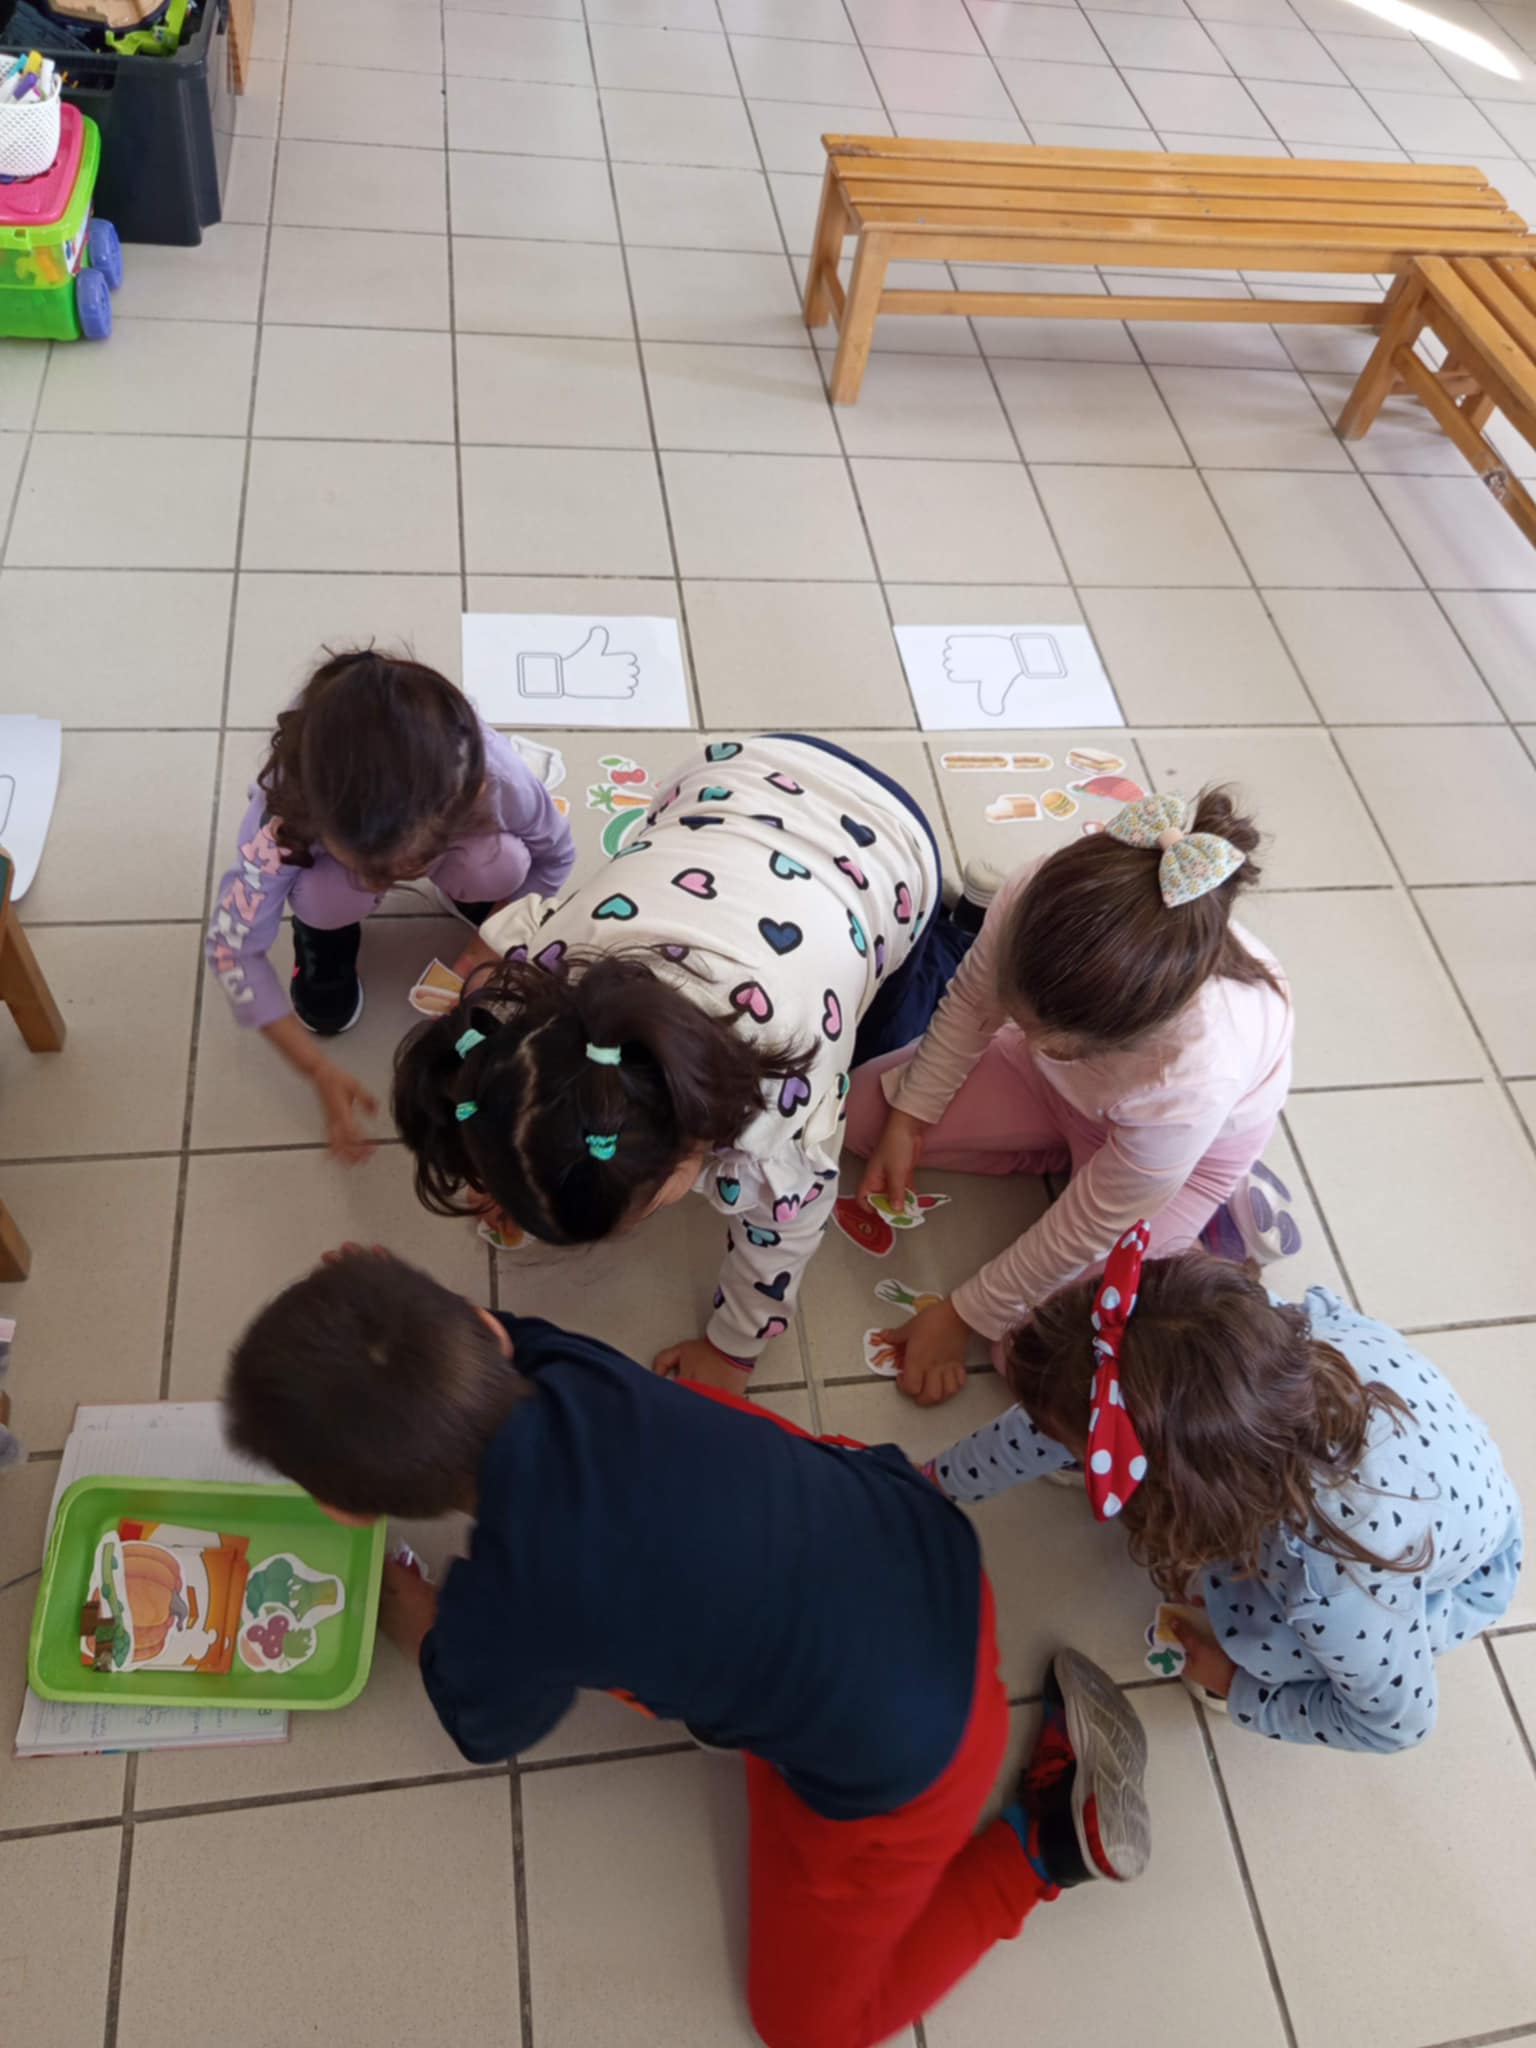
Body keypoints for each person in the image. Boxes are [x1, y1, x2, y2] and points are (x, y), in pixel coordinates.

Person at [224, 1248, 1151, 2048]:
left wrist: (410, 1608)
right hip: (920, 1541)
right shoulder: (562, 1364)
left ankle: (1045, 1845)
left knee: (806, 2026)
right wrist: (382, 1311)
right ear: (485, 1327)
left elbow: (482, 1719)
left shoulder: (513, 1601)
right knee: (712, 1450)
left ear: (345, 1512)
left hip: (918, 1760)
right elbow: (474, 1342)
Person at [393, 735, 970, 1391]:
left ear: (690, 1154)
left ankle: (962, 934)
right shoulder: (548, 977)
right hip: (737, 772)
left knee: (889, 1034)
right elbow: (514, 1007)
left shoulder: (777, 1119)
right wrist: (515, 1156)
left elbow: (784, 1236)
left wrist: (732, 1351)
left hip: (892, 853)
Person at [929, 1244, 1522, 1755]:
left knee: (1258, 1638)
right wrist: (936, 1480)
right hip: (1425, 1470)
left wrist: (1242, 1689)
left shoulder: (1331, 1583)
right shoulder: (1252, 1339)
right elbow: (1079, 1394)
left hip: (1453, 1577)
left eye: (1074, 1447)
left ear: (1182, 1496)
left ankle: (1253, 1665)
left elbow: (1397, 1724)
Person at [850, 788, 1295, 1406]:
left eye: (1049, 1036)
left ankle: (1201, 1224)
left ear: (1121, 1039)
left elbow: (1089, 1224)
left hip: (1189, 1152)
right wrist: (909, 1117)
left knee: (1035, 1358)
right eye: (1022, 1019)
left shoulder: (1190, 1076)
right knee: (861, 1117)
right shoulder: (1037, 896)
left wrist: (963, 1315)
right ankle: (1068, 1158)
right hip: (1080, 1104)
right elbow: (972, 1004)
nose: (1026, 1035)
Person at [205, 651, 574, 1162]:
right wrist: (315, 1068)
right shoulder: (281, 821)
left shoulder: (497, 780)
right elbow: (232, 950)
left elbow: (556, 857)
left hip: (459, 823)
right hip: (328, 861)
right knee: (325, 897)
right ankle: (324, 935)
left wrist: (491, 941)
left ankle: (477, 898)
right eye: (377, 869)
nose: (399, 883)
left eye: (416, 862)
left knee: (506, 863)